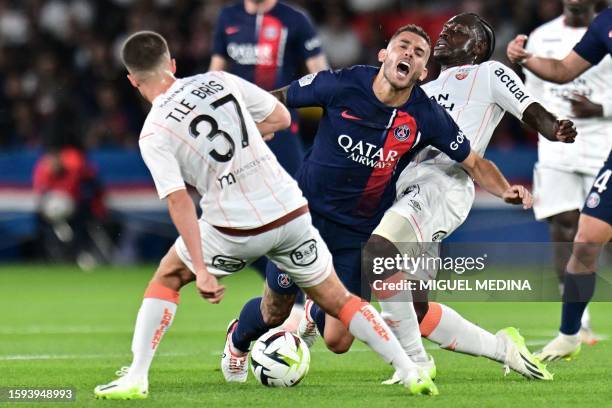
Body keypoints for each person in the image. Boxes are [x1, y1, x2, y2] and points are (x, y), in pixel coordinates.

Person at [94, 30, 437, 400]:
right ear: (173, 64)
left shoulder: (154, 131)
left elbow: (178, 202)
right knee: (338, 301)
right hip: (289, 211)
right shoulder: (217, 81)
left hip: (233, 225)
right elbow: (278, 115)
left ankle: (136, 377)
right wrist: (248, 138)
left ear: (132, 80)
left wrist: (202, 268)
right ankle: (409, 370)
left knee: (168, 277)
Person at [226, 23, 537, 384]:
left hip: (356, 233)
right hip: (305, 219)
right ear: (383, 54)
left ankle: (317, 306)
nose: (409, 54)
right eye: (402, 46)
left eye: (419, 53)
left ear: (423, 72)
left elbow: (475, 163)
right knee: (274, 311)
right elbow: (276, 98)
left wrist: (505, 190)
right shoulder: (342, 84)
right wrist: (247, 122)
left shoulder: (426, 114)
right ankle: (237, 343)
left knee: (338, 342)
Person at [327, 13, 576, 384]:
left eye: (458, 31)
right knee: (414, 311)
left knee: (379, 253)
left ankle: (414, 363)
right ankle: (502, 348)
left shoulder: (487, 72)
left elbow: (526, 107)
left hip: (442, 186)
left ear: (477, 46)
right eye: (445, 29)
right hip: (402, 189)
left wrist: (553, 127)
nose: (445, 33)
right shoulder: (420, 89)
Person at [210, 0, 329, 327]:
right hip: (238, 134)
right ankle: (288, 283)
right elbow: (216, 74)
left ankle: (297, 290)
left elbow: (321, 76)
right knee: (225, 218)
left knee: (295, 213)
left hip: (282, 133)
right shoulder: (228, 17)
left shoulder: (294, 20)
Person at [507, 6, 611, 360]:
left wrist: (603, 109)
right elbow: (564, 70)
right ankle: (571, 332)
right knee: (583, 237)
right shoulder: (605, 24)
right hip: (571, 150)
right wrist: (527, 58)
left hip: (603, 140)